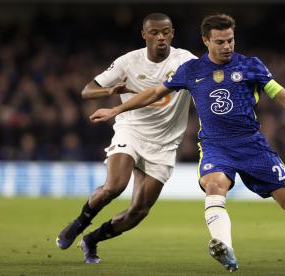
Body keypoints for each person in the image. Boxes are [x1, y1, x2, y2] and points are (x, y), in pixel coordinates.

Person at [89, 14, 285, 272]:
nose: (227, 46)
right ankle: (225, 249)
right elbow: (154, 93)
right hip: (216, 145)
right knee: (214, 186)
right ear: (206, 41)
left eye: (231, 40)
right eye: (220, 42)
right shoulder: (191, 70)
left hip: (252, 146)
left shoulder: (251, 66)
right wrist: (115, 110)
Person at [55, 13, 196, 264]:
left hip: (165, 143)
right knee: (115, 186)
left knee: (139, 211)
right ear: (144, 35)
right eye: (154, 32)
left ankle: (91, 239)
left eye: (165, 31)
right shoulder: (128, 62)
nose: (160, 36)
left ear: (172, 33)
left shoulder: (186, 61)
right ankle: (79, 223)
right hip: (131, 129)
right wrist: (110, 91)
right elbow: (87, 90)